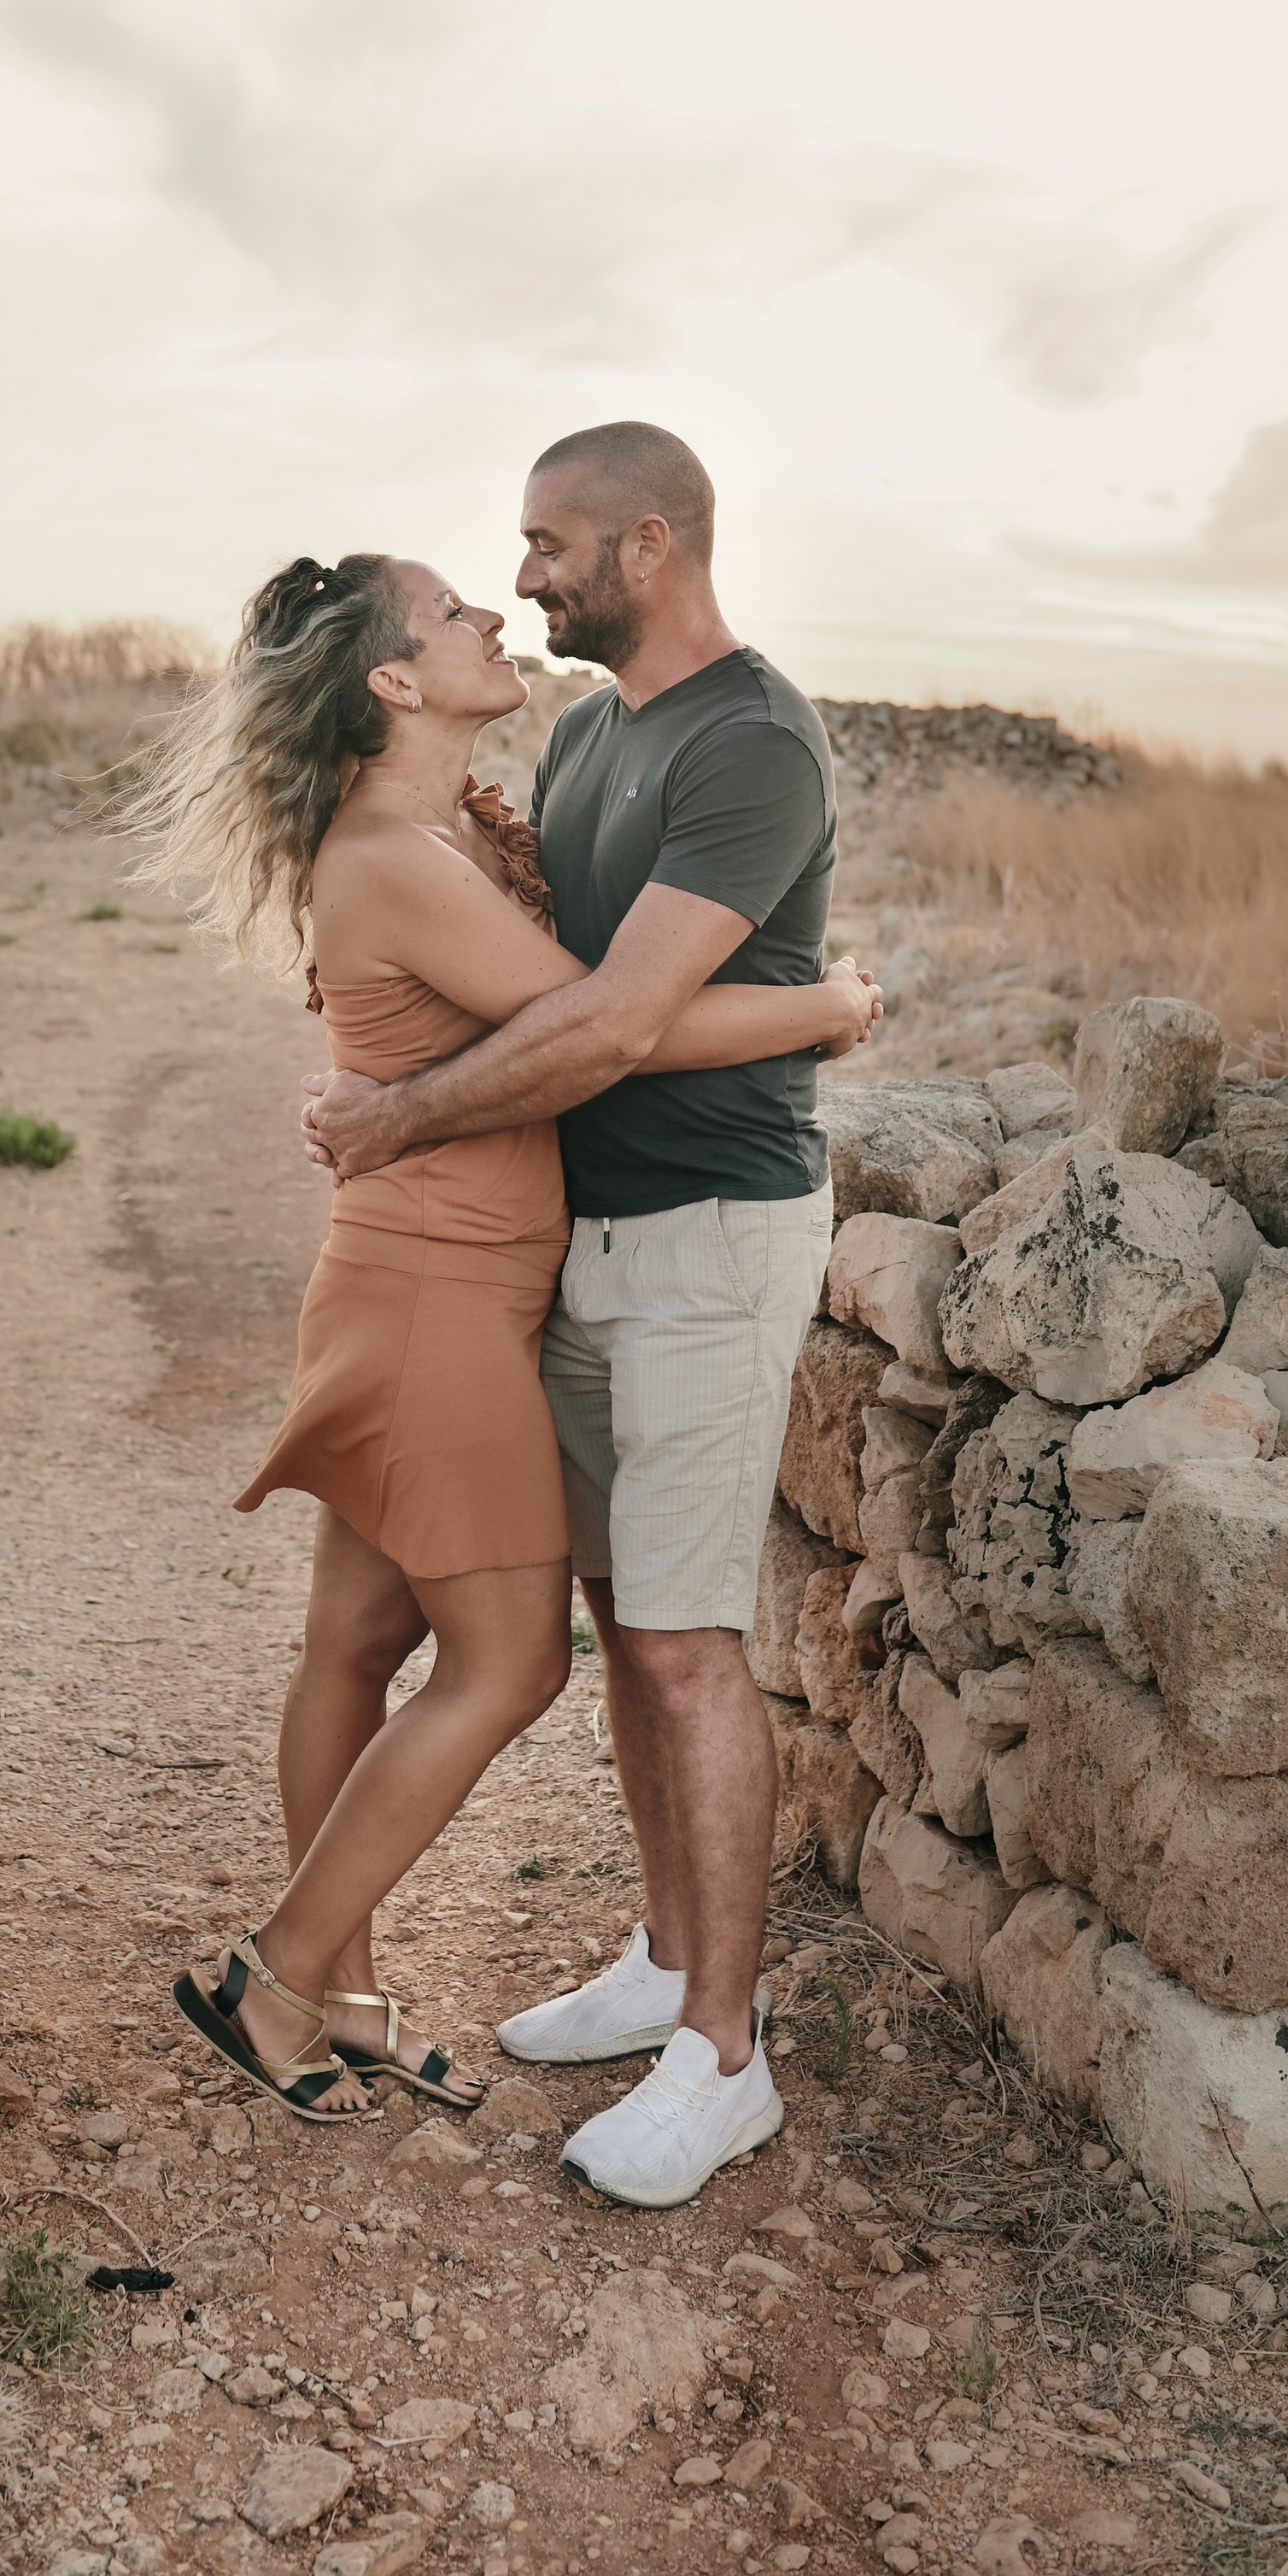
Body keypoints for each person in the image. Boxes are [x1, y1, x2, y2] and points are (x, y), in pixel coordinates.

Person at [127, 546, 877, 2127]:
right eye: (458, 611)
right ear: (394, 680)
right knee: (515, 1655)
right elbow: (615, 1024)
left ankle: (334, 1998)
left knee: (358, 1642)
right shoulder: (397, 850)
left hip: (437, 1277)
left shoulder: (451, 821)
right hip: (438, 1297)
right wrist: (825, 1006)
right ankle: (279, 1983)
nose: (496, 613)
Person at [302, 423, 849, 2203]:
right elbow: (510, 982)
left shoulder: (752, 740)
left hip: (702, 1229)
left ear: (649, 540)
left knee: (688, 1645)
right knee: (631, 1624)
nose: (523, 577)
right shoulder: (601, 731)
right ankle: (664, 1961)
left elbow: (609, 1022)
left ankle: (723, 2052)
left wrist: (395, 1118)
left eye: (545, 545)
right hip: (579, 1241)